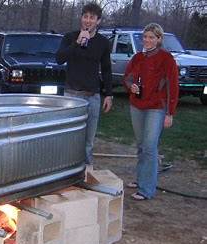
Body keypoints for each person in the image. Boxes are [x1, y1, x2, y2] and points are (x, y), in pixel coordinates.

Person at [123, 23, 179, 200]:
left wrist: (170, 113)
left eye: (152, 37)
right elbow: (127, 77)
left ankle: (147, 189)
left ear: (159, 39)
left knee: (149, 146)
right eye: (145, 37)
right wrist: (130, 86)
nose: (147, 40)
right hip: (137, 106)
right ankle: (141, 179)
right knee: (141, 145)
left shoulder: (166, 59)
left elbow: (173, 86)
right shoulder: (138, 57)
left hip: (156, 107)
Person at [56, 2, 113, 170]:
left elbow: (107, 69)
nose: (88, 21)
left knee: (88, 141)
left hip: (91, 97)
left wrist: (108, 94)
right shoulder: (69, 37)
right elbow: (59, 58)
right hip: (71, 96)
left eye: (92, 18)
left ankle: (86, 173)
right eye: (85, 16)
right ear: (81, 18)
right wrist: (77, 43)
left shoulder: (103, 43)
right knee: (68, 138)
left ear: (98, 21)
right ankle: (65, 172)